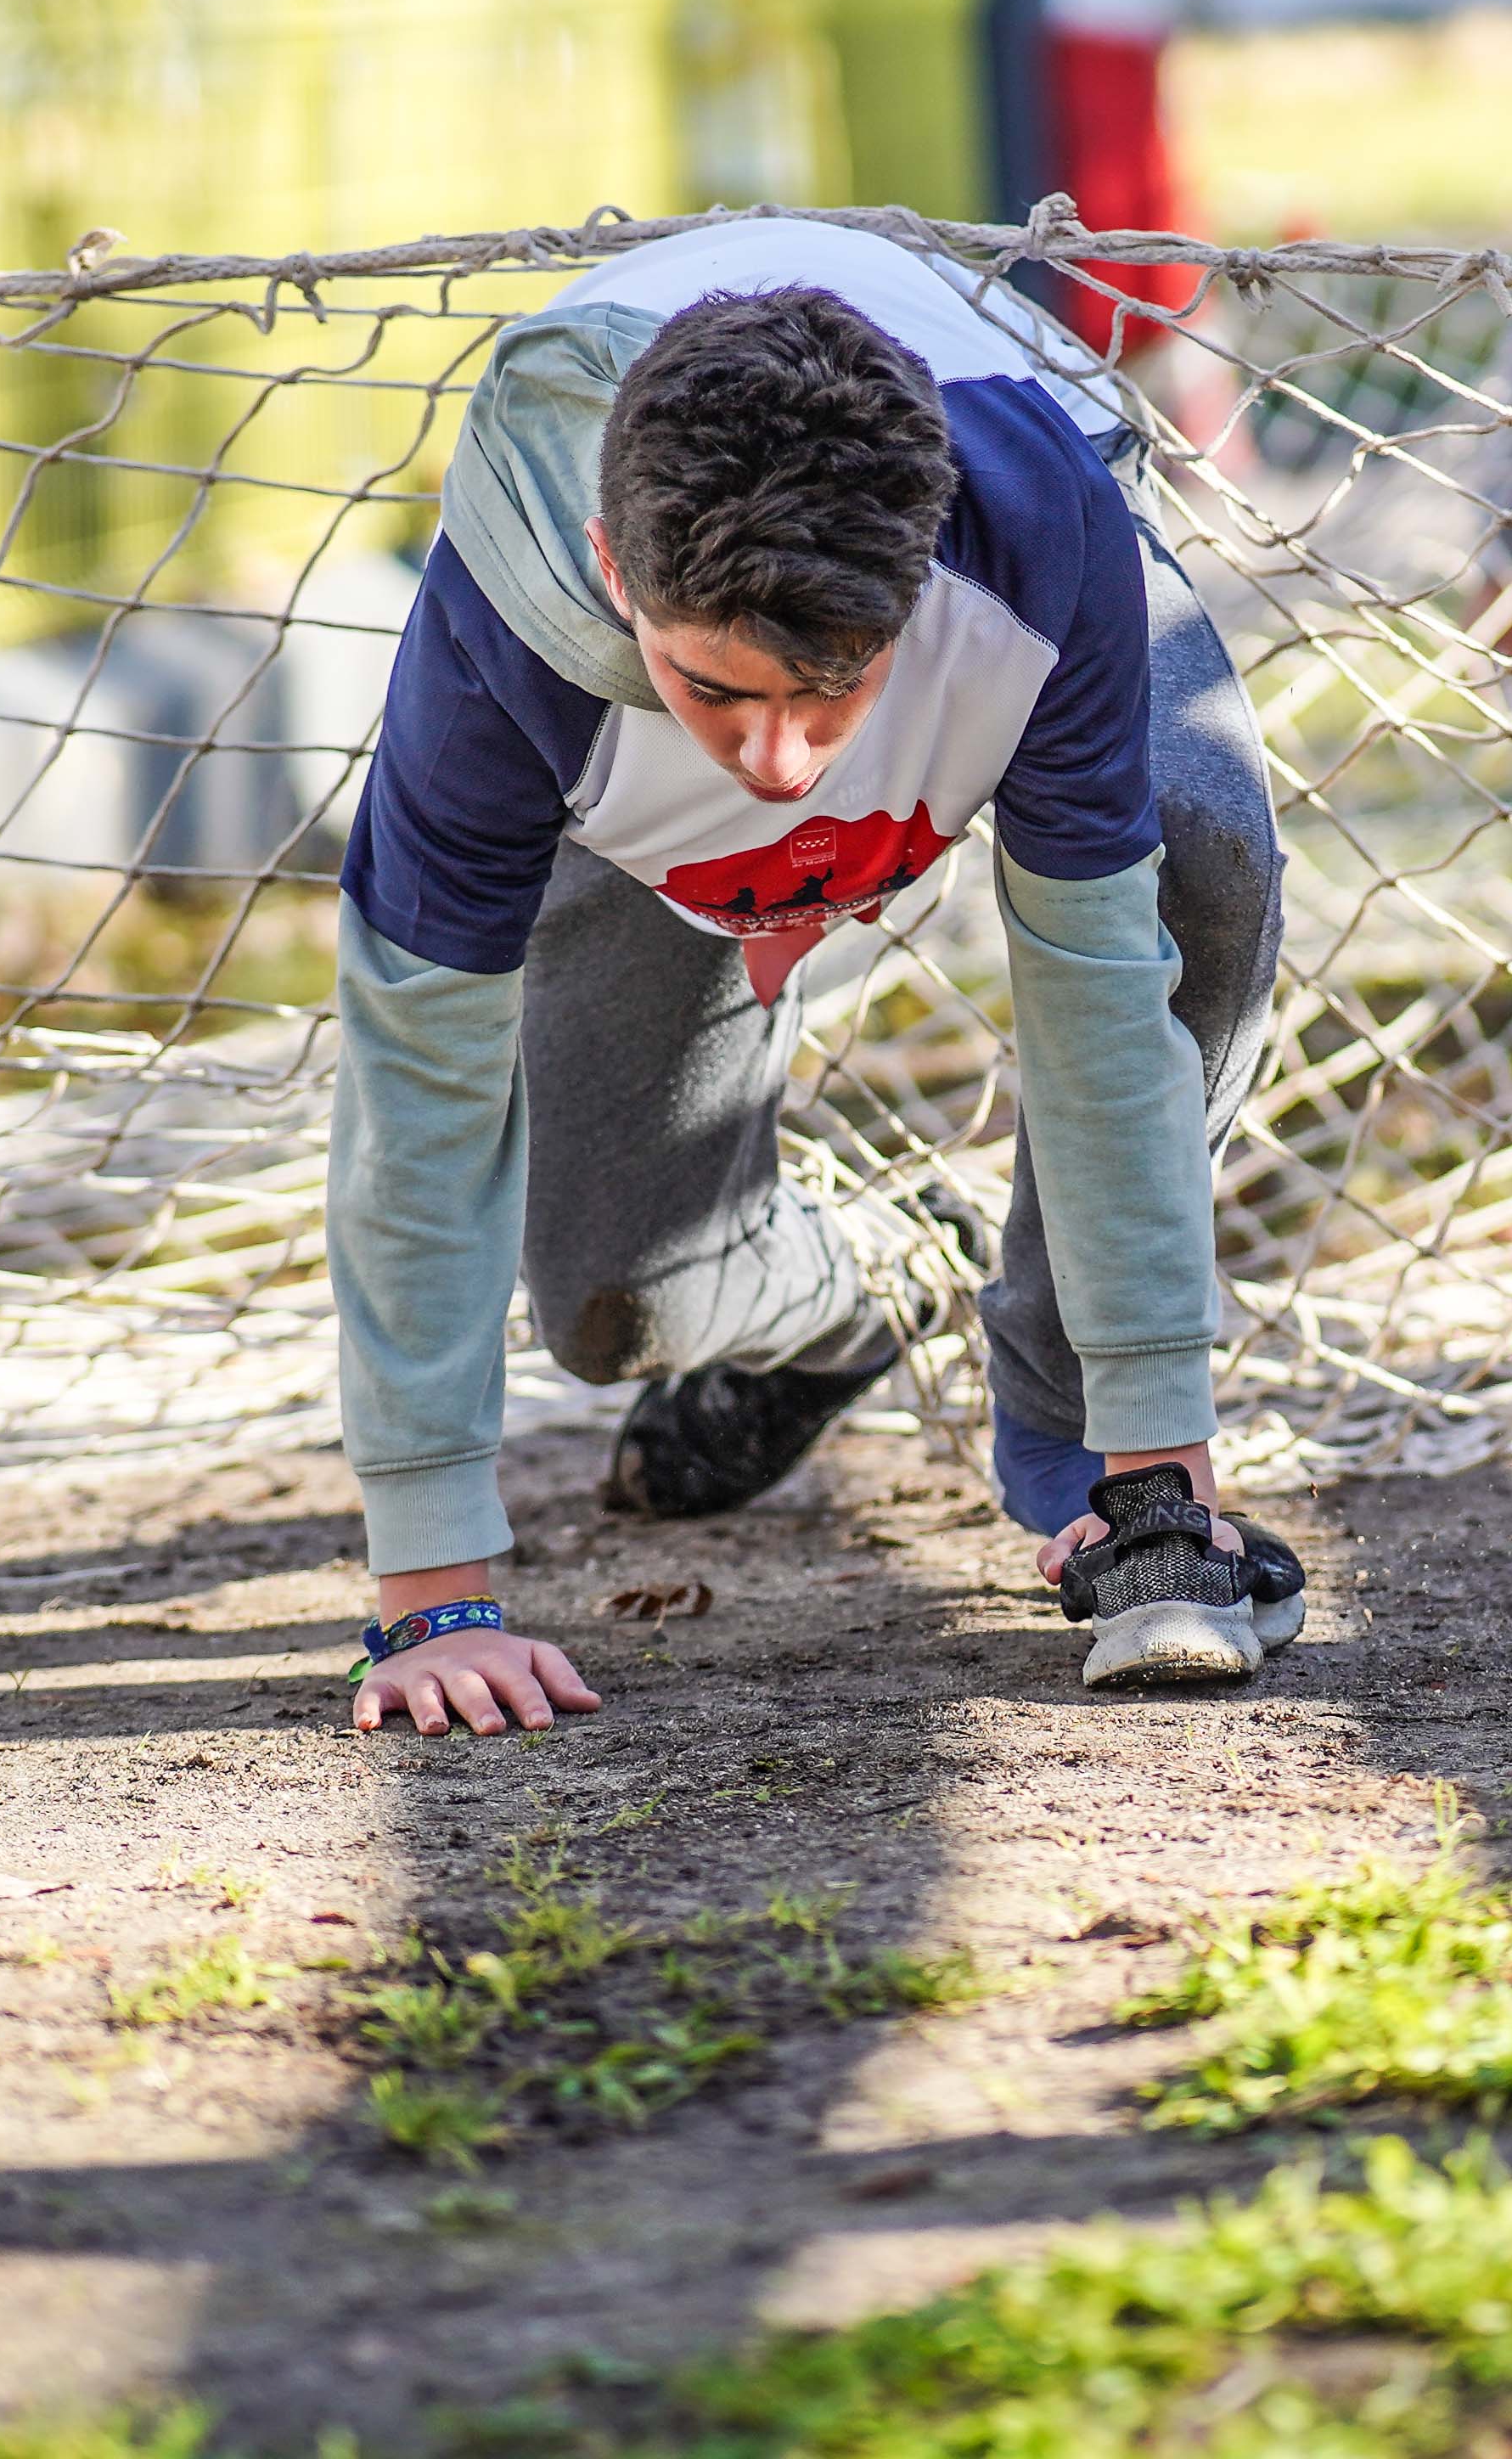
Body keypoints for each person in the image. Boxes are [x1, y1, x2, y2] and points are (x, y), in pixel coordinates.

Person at [330, 218, 1301, 1735]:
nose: (779, 767)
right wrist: (430, 1594)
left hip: (982, 561)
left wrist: (1159, 1473)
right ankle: (874, 1288)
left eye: (830, 689)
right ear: (610, 569)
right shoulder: (497, 667)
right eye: (719, 692)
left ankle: (1064, 1424)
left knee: (1200, 841)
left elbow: (1100, 995)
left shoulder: (1032, 535)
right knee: (611, 1308)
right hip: (633, 790)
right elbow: (420, 1091)